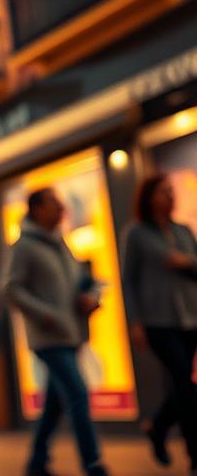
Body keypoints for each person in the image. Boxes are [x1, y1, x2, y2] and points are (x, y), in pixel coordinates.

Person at [4, 188, 107, 476]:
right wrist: (45, 314)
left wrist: (90, 297)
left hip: (71, 333)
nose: (61, 208)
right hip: (49, 338)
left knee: (55, 403)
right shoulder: (24, 246)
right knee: (77, 393)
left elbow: (80, 282)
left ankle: (37, 461)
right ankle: (93, 463)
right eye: (54, 203)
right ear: (36, 209)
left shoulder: (60, 243)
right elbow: (11, 288)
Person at [121, 173, 197, 474]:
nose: (170, 196)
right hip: (157, 320)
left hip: (191, 316)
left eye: (171, 191)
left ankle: (158, 426)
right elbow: (128, 280)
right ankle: (195, 455)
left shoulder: (183, 231)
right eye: (163, 191)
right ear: (149, 197)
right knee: (183, 380)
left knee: (182, 384)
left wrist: (186, 262)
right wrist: (135, 320)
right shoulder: (136, 234)